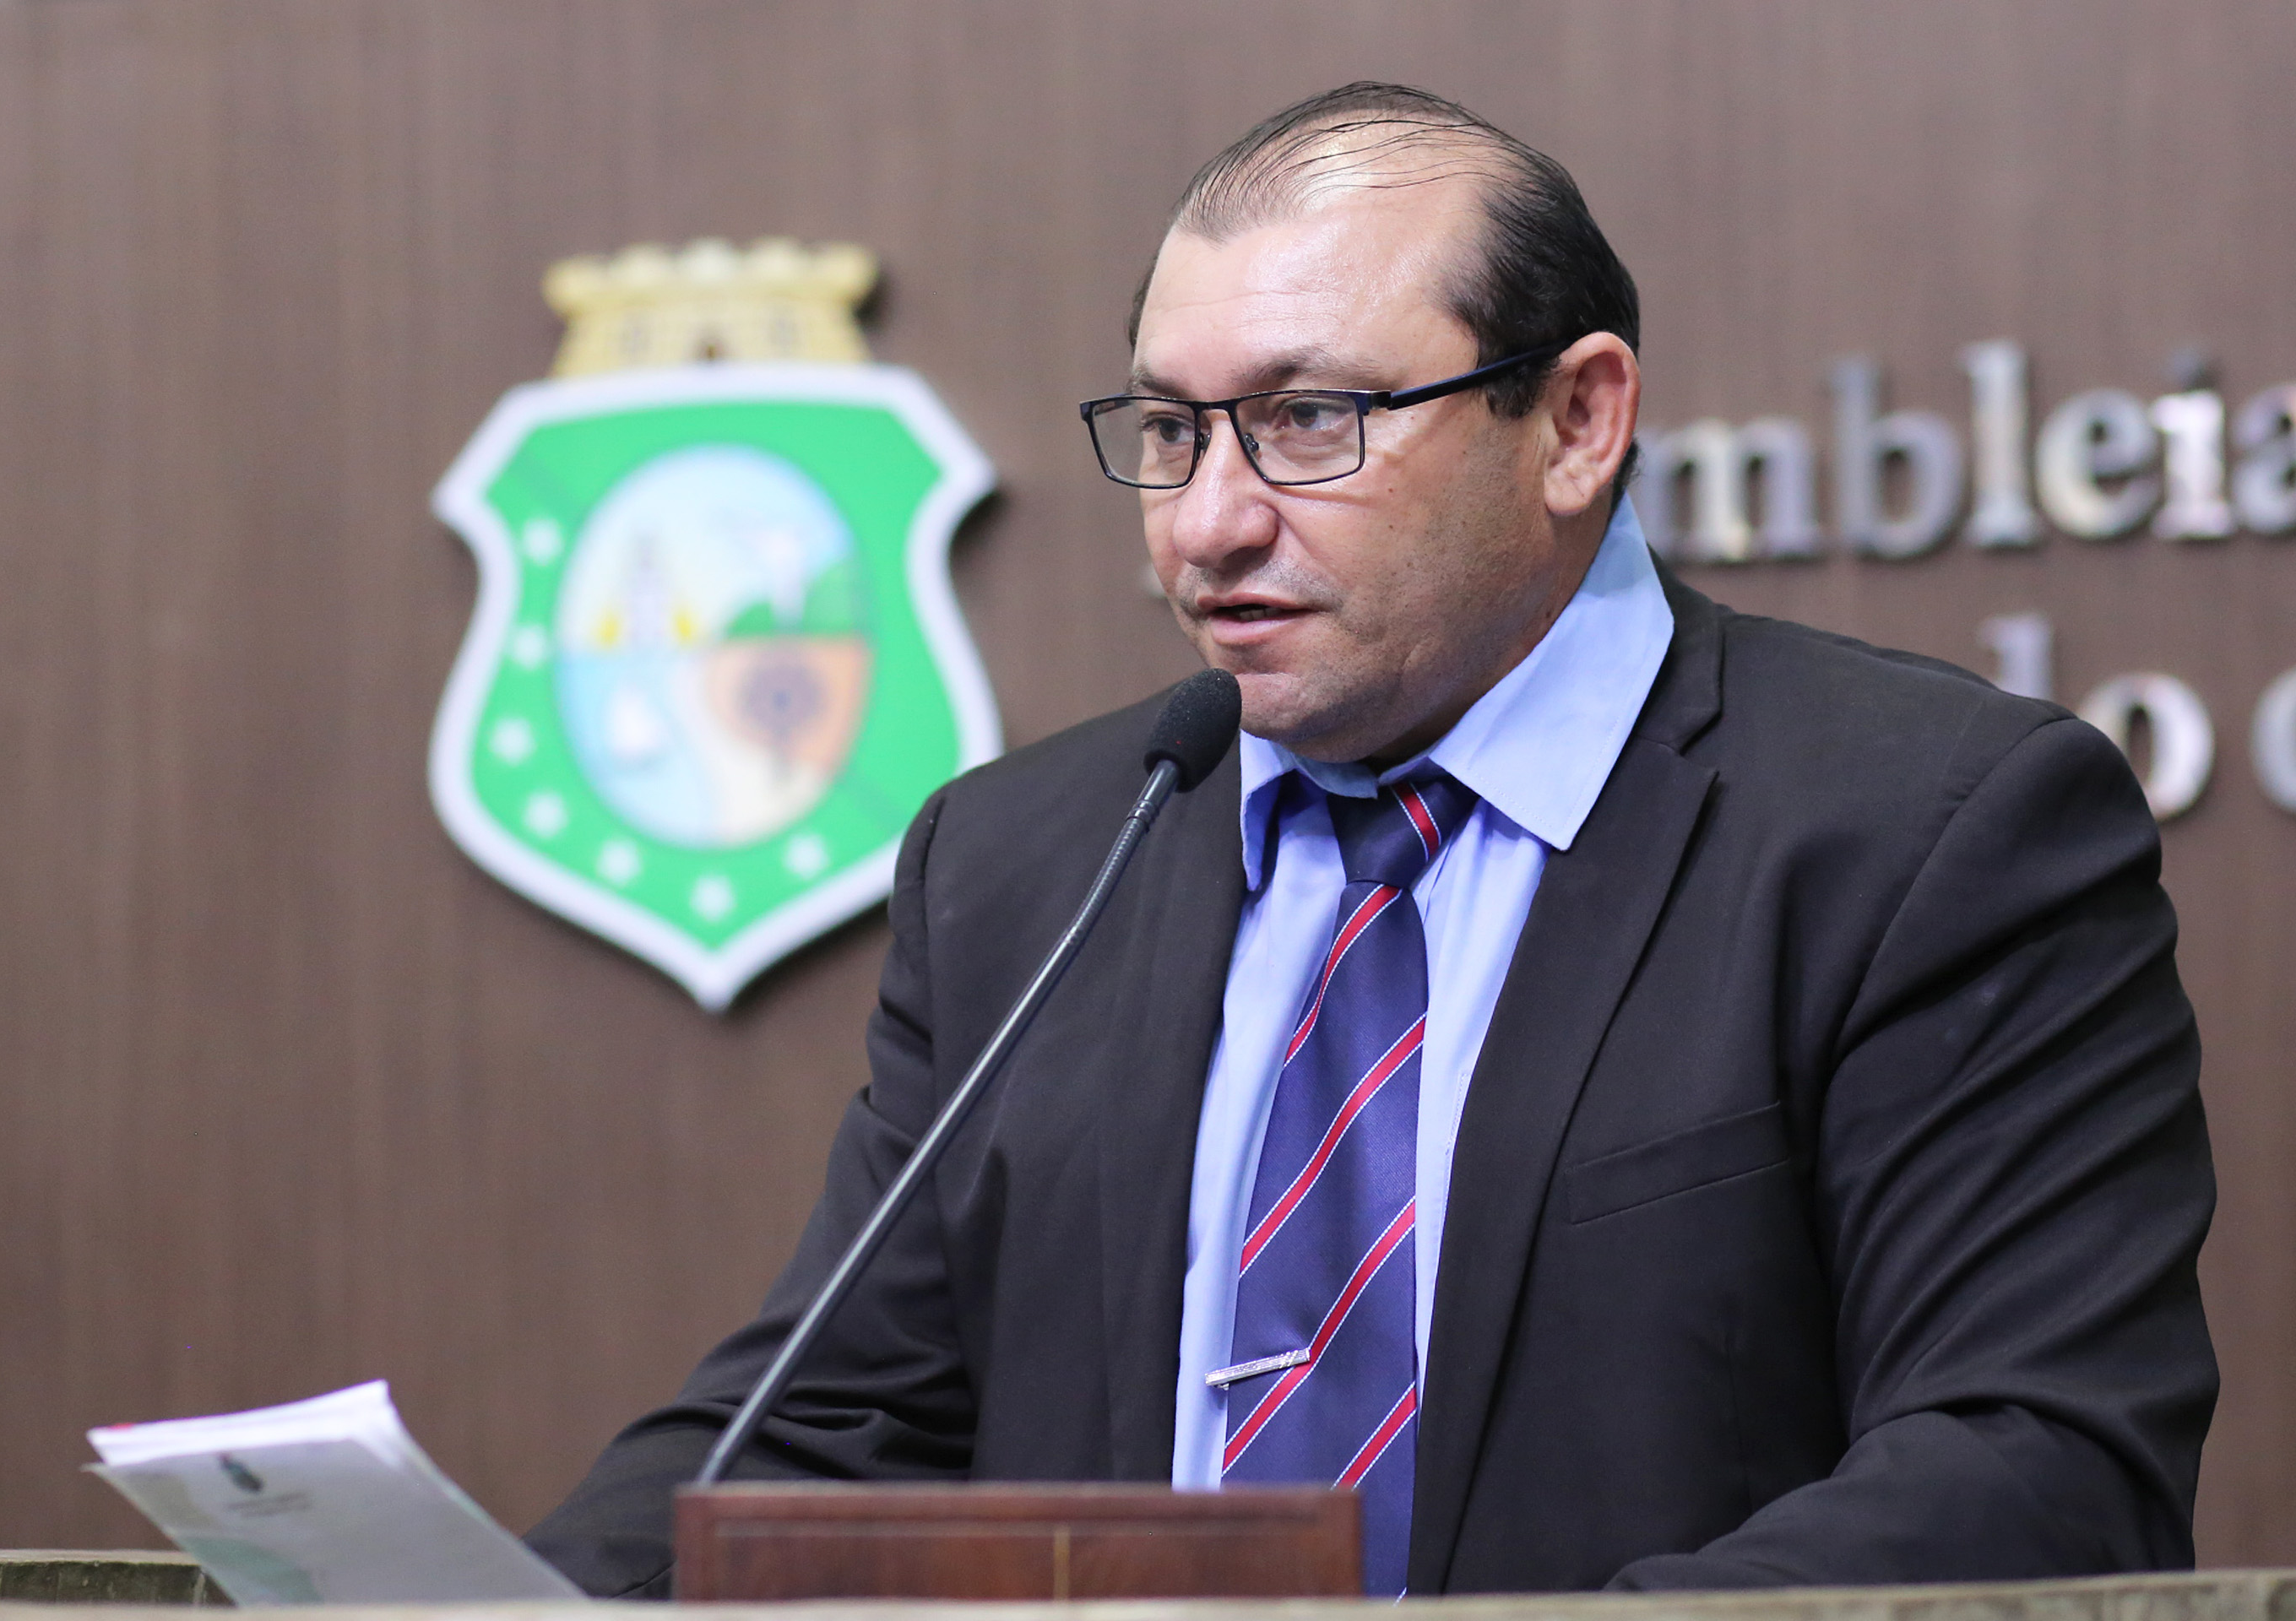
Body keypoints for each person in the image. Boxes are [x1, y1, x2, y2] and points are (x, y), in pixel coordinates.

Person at [527, 83, 2215, 1598]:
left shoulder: (1923, 831)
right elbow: (821, 1432)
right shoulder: (1027, 864)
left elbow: (2035, 1467)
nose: (1208, 524)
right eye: (1171, 433)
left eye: (1310, 419)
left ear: (1578, 422)